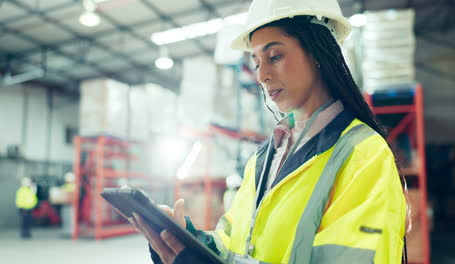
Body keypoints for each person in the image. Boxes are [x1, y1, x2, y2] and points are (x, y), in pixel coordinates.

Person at [128, 0, 409, 263]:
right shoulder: (264, 159)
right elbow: (232, 243)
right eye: (257, 62)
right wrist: (191, 242)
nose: (262, 76)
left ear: (317, 52)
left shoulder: (364, 154)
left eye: (275, 56)